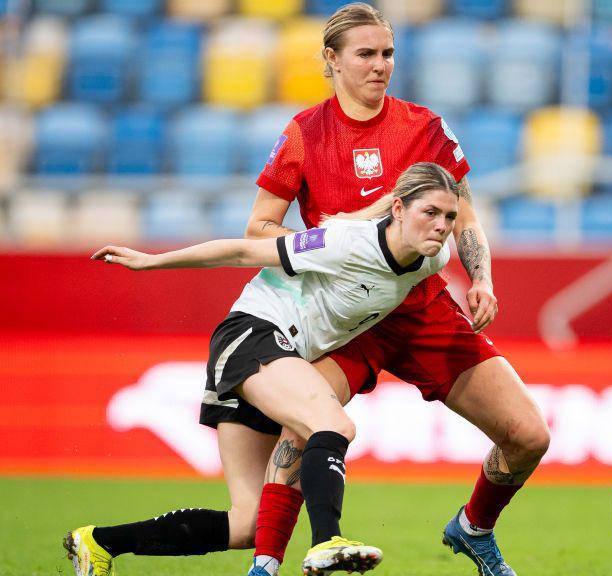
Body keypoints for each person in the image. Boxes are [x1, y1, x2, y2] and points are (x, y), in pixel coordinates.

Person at [68, 5, 549, 576]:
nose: (380, 65)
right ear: (332, 59)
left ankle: (472, 529)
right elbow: (257, 232)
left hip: (420, 310)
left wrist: (483, 279)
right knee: (306, 432)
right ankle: (270, 563)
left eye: (388, 53)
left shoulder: (424, 128)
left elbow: (463, 217)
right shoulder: (305, 134)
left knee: (527, 435)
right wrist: (330, 244)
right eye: (366, 54)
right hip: (339, 315)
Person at [66, 163, 460, 576]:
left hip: (274, 359)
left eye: (449, 216)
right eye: (430, 212)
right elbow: (242, 250)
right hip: (252, 336)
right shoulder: (345, 242)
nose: (441, 225)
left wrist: (480, 282)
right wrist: (152, 261)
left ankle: (100, 542)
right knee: (333, 425)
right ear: (398, 209)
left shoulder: (432, 260)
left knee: (248, 523)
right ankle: (327, 541)